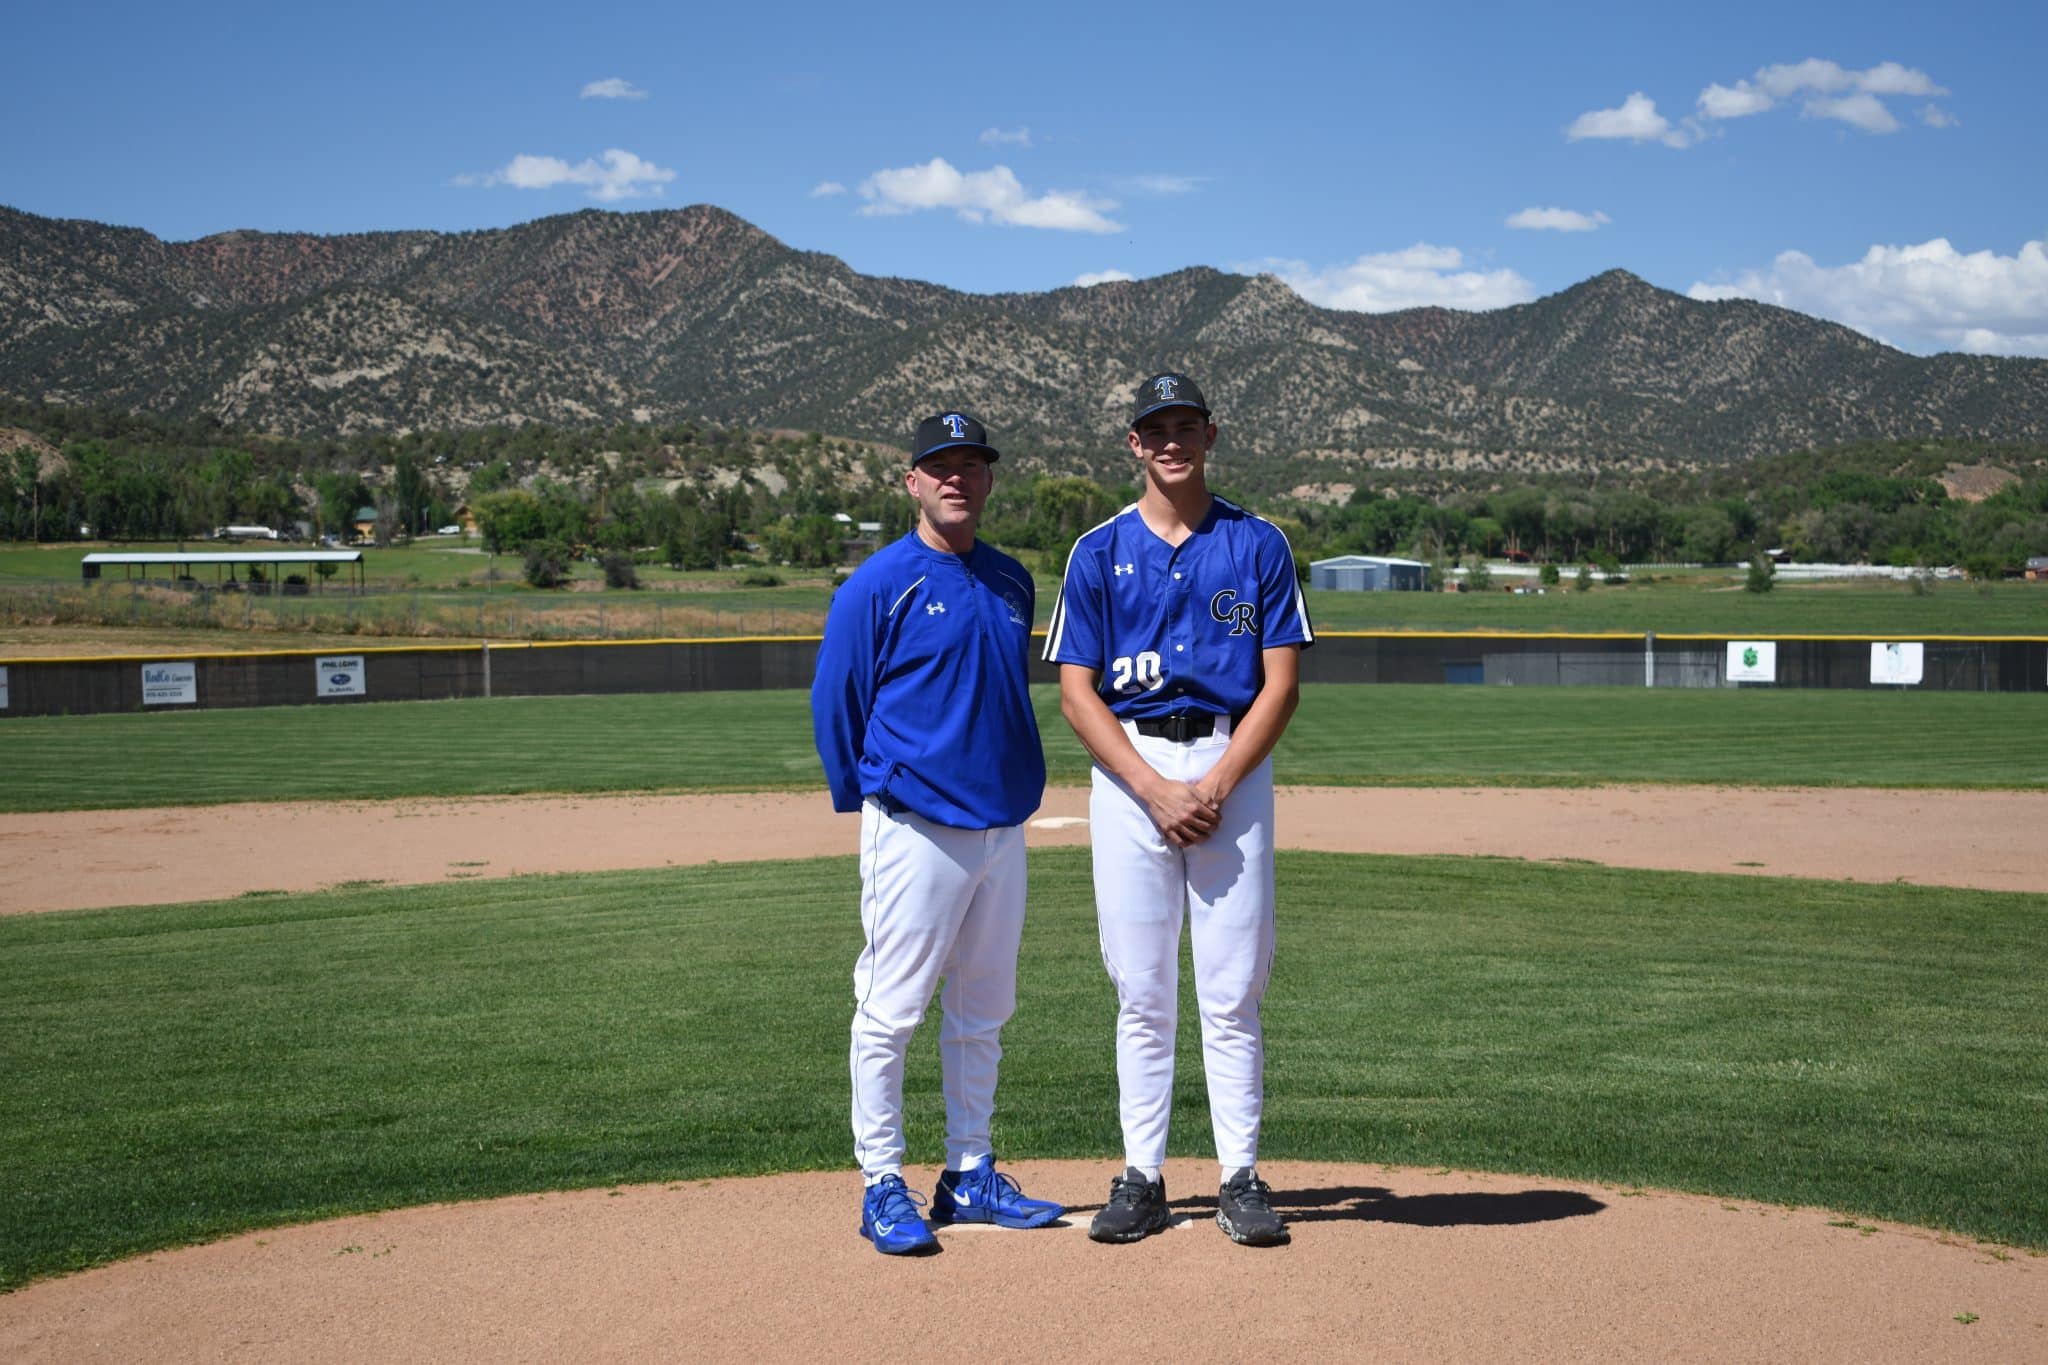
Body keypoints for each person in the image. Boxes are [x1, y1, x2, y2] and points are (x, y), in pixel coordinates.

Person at [1042, 373, 1314, 1247]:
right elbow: (1076, 693)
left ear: (1210, 434)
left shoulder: (1258, 542)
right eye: (1154, 428)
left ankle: (1239, 1175)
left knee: (1232, 988)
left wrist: (1217, 784)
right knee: (1143, 987)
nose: (1171, 441)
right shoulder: (1097, 551)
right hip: (1132, 770)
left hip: (1231, 764)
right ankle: (1143, 1174)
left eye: (1185, 425)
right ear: (1133, 442)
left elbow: (1281, 684)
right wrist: (1155, 787)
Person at [810, 410, 1065, 1255]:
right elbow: (836, 705)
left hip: (1002, 826)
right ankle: (882, 1183)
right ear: (912, 481)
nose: (957, 476)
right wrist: (875, 801)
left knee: (984, 1008)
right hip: (916, 825)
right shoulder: (877, 583)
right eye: (940, 465)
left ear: (989, 479)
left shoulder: (1012, 580)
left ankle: (969, 1173)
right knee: (889, 1011)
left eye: (972, 463)